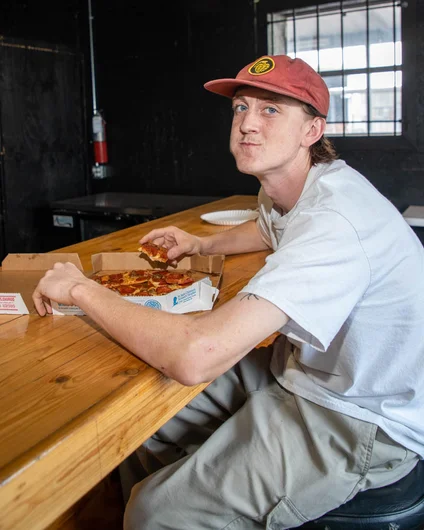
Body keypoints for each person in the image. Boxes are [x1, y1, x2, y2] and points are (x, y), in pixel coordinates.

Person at [32, 55, 424, 530]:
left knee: (154, 512)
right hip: (306, 371)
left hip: (361, 416)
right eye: (240, 108)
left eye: (272, 110)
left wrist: (79, 288)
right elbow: (270, 229)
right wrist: (204, 242)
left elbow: (198, 353)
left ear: (312, 130)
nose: (248, 125)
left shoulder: (336, 221)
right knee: (141, 422)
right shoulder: (290, 188)